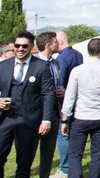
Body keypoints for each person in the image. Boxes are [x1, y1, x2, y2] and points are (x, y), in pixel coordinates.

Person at [61, 38, 100, 178]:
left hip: (81, 117)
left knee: (75, 154)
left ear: (88, 51)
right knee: (97, 154)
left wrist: (64, 120)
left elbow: (69, 97)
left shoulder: (77, 70)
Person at [0, 31, 56, 178]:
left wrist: (46, 120)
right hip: (4, 119)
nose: (20, 49)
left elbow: (48, 94)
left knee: (24, 163)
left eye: (24, 46)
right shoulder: (3, 66)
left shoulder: (41, 66)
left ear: (31, 46)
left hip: (29, 121)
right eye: (17, 45)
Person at [53, 31, 84, 178]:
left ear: (59, 42)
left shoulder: (61, 58)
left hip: (64, 101)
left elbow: (61, 80)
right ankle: (74, 163)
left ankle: (65, 168)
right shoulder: (78, 55)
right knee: (73, 133)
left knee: (63, 133)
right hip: (78, 99)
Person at [35, 32, 64, 178]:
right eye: (55, 42)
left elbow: (58, 83)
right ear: (48, 45)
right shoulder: (33, 63)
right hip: (35, 113)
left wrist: (61, 90)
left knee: (48, 152)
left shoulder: (55, 63)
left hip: (53, 112)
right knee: (28, 152)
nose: (58, 44)